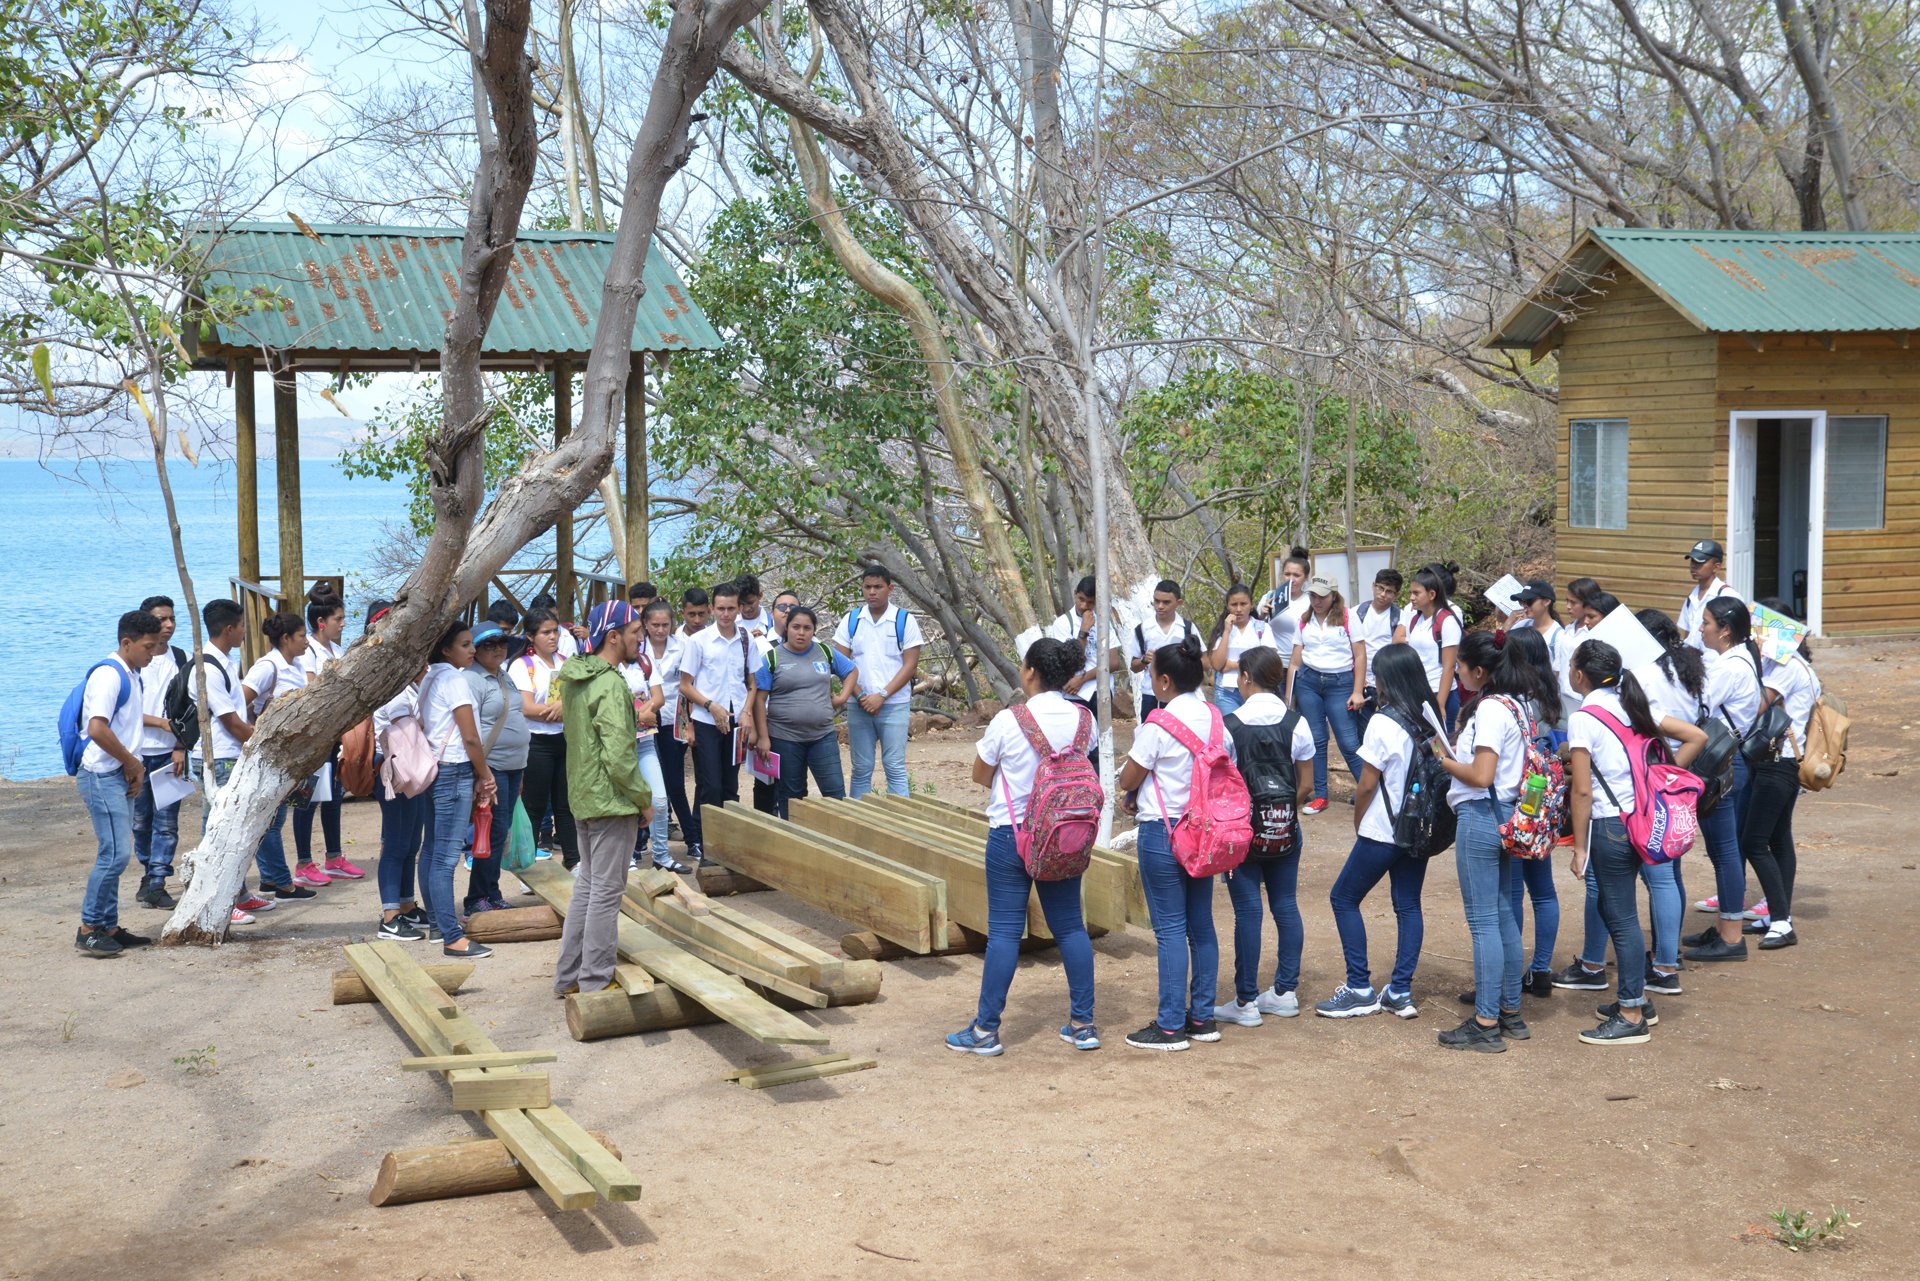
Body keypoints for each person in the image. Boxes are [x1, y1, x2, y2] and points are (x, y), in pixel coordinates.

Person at [947, 638, 1101, 1055]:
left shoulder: (1009, 719)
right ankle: (1083, 1024)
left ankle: (985, 1031)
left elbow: (982, 774)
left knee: (1004, 933)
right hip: (1064, 836)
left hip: (1011, 834)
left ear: (1030, 671)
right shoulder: (1085, 720)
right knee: (1070, 926)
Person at [1564, 639, 1707, 1044]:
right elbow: (1697, 736)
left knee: (1621, 919)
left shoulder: (1584, 717)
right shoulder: (1633, 704)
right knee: (1619, 915)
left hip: (1611, 827)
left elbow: (1581, 791)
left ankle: (1630, 1014)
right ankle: (1637, 998)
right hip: (1642, 821)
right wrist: (1658, 782)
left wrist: (1579, 847)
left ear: (1579, 674)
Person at [1430, 631, 1562, 1052]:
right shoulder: (1520, 705)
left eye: (1461, 667)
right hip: (1509, 817)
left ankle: (1486, 1021)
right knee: (1504, 915)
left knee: (1485, 921)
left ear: (1480, 670)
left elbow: (1481, 775)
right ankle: (1509, 1012)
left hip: (1482, 816)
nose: (1458, 674)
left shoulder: (1489, 709)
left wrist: (1444, 760)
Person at [1316, 644, 1445, 1018]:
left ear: (1387, 679)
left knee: (1343, 897)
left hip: (1383, 829)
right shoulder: (1429, 716)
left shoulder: (1383, 721)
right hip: (1419, 828)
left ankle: (1359, 987)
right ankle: (1400, 991)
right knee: (1408, 905)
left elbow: (1367, 784)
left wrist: (1358, 821)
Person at [1116, 634, 1223, 1051]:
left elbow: (1129, 777)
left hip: (1164, 830)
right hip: (1205, 830)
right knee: (1202, 926)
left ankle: (1168, 1026)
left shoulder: (1158, 724)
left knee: (1171, 930)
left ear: (1162, 682)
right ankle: (1202, 1016)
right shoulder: (1216, 718)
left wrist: (1130, 793)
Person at [553, 601, 655, 996]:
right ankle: (595, 981)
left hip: (583, 794)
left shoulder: (575, 679)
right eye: (634, 633)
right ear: (613, 636)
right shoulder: (611, 683)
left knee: (588, 887)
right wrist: (643, 798)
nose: (640, 639)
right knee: (606, 893)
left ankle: (568, 978)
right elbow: (619, 753)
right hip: (611, 800)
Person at [1212, 646, 1316, 1027]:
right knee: (1285, 905)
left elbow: (1220, 786)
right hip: (1286, 829)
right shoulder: (1297, 723)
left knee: (1248, 912)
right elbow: (1306, 783)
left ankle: (1246, 1000)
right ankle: (1285, 992)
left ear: (1246, 679)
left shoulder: (1229, 725)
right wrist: (1282, 810)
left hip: (1242, 835)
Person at [71, 609, 164, 956]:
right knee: (115, 855)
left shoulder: (131, 672)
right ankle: (88, 927)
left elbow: (126, 720)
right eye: (147, 647)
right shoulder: (110, 676)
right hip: (101, 774)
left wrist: (132, 767)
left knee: (113, 852)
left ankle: (107, 925)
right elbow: (97, 728)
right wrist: (132, 763)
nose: (152, 654)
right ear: (126, 643)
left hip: (118, 773)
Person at [1628, 608, 1706, 992]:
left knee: (1658, 874)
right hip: (1677, 781)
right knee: (1670, 873)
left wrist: (1661, 774)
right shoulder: (1685, 670)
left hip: (1654, 778)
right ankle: (1667, 952)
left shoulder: (1644, 676)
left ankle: (1664, 966)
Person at [1684, 597, 1764, 961]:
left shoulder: (1729, 667)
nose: (1701, 629)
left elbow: (1696, 706)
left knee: (1725, 851)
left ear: (1725, 630)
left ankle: (1731, 936)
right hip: (1733, 761)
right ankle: (1724, 927)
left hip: (1721, 765)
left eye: (1706, 623)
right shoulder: (1742, 658)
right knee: (1723, 851)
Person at [188, 598, 278, 924]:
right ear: (229, 628)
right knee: (219, 829)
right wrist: (260, 741)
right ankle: (215, 896)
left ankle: (237, 892)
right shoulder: (208, 668)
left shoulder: (225, 661)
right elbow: (230, 721)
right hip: (219, 757)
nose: (244, 632)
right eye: (241, 626)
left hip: (232, 753)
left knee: (235, 826)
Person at [1742, 599, 1820, 951]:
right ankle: (1777, 913)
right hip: (1785, 761)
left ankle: (1782, 922)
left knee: (1754, 842)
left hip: (1777, 762)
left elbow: (1757, 704)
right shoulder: (1799, 665)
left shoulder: (1785, 668)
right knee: (1778, 839)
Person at [417, 621, 497, 958]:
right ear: (446, 649)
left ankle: (439, 923)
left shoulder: (431, 677)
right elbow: (469, 737)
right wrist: (485, 774)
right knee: (447, 858)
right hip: (454, 770)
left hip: (439, 770)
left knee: (433, 850)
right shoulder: (454, 679)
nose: (472, 650)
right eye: (465, 644)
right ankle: (452, 936)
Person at [1500, 627, 1564, 997]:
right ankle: (1540, 968)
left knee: (1511, 890)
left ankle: (1508, 975)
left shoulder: (1516, 699)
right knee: (1543, 889)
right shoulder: (1551, 694)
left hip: (1519, 796)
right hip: (1544, 797)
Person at [749, 605, 858, 818]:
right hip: (785, 738)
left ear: (814, 630)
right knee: (791, 795)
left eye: (807, 628)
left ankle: (838, 843)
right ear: (786, 628)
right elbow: (759, 701)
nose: (801, 632)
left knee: (835, 793)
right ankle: (795, 842)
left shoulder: (824, 652)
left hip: (823, 736)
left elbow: (851, 670)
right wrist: (763, 737)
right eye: (796, 627)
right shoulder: (771, 658)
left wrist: (842, 698)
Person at [241, 612, 317, 903]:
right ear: (286, 638)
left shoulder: (295, 665)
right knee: (269, 819)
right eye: (301, 636)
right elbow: (240, 700)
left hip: (290, 755)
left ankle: (271, 879)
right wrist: (251, 733)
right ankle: (282, 882)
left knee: (276, 817)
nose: (306, 642)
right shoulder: (267, 667)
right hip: (270, 753)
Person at [832, 565, 924, 797]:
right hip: (858, 705)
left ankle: (899, 821)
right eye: (867, 587)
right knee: (861, 768)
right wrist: (862, 696)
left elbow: (910, 665)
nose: (872, 592)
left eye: (878, 587)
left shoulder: (904, 620)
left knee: (894, 767)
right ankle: (859, 822)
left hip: (894, 705)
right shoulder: (851, 620)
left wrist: (882, 695)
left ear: (889, 588)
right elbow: (841, 664)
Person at [681, 581, 754, 861]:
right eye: (720, 608)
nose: (725, 614)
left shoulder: (745, 639)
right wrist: (710, 706)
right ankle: (706, 842)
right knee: (709, 783)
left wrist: (746, 711)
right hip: (706, 719)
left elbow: (752, 681)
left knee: (730, 784)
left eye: (731, 608)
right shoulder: (698, 642)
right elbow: (686, 685)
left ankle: (728, 841)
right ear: (712, 609)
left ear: (739, 609)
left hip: (736, 720)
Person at [292, 588, 360, 887]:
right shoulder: (308, 652)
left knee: (333, 797)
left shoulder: (338, 651)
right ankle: (304, 861)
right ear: (322, 622)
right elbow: (311, 689)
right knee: (307, 800)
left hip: (336, 736)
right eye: (338, 619)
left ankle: (334, 856)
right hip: (314, 739)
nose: (342, 624)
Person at [1285, 574, 1367, 814]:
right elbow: (1295, 660)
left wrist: (1357, 691)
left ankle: (1370, 789)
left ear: (1333, 595)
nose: (1317, 600)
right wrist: (1288, 698)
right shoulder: (1304, 620)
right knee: (1317, 740)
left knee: (1348, 742)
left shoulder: (1348, 617)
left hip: (1340, 683)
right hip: (1309, 682)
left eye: (1322, 596)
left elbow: (1360, 655)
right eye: (1313, 595)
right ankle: (1321, 795)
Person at [464, 623, 529, 914]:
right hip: (493, 766)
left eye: (501, 643)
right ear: (475, 650)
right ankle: (477, 896)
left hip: (515, 765)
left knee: (499, 831)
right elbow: (470, 729)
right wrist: (482, 771)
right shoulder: (472, 679)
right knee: (491, 831)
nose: (497, 649)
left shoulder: (504, 676)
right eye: (489, 645)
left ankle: (492, 891)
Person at [130, 595, 187, 909]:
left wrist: (180, 745)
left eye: (171, 619)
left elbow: (191, 707)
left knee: (167, 821)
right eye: (160, 620)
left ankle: (157, 880)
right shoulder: (136, 662)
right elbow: (125, 712)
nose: (168, 625)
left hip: (169, 754)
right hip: (137, 753)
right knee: (140, 821)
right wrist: (162, 723)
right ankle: (148, 870)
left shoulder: (181, 658)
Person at [512, 608, 579, 869]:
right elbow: (526, 707)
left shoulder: (566, 662)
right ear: (530, 636)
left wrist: (564, 708)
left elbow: (575, 699)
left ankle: (574, 862)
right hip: (536, 741)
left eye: (555, 631)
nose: (552, 637)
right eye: (545, 632)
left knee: (566, 804)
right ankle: (527, 867)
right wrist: (559, 710)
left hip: (563, 739)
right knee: (535, 805)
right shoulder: (522, 666)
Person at [372, 659, 431, 941]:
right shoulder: (393, 691)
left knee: (410, 843)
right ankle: (389, 917)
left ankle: (406, 905)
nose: (426, 666)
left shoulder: (408, 688)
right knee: (396, 843)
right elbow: (406, 730)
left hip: (409, 768)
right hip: (395, 768)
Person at [1050, 575, 1125, 768]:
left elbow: (1114, 662)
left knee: (1097, 746)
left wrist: (1083, 678)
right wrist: (1083, 632)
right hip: (1072, 695)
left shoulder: (1103, 622)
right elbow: (1070, 662)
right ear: (1075, 595)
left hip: (1098, 691)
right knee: (1073, 744)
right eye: (1081, 599)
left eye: (1090, 602)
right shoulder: (1062, 623)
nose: (1084, 606)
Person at [618, 619, 672, 871]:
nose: (641, 638)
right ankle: (627, 858)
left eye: (641, 632)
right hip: (621, 744)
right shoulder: (609, 668)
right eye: (636, 633)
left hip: (645, 742)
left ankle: (661, 855)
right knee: (626, 803)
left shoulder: (644, 663)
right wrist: (638, 714)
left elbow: (658, 697)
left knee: (659, 799)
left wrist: (641, 712)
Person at [644, 598, 695, 863]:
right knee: (645, 784)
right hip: (645, 721)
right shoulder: (638, 648)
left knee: (674, 782)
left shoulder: (682, 646)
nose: (660, 630)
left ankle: (691, 838)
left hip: (673, 719)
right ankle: (641, 843)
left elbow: (687, 685)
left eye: (665, 625)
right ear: (646, 625)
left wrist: (689, 723)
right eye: (655, 625)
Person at [751, 589, 807, 815]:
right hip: (766, 719)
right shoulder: (759, 642)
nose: (787, 612)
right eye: (782, 607)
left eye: (793, 607)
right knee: (764, 779)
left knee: (794, 780)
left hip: (797, 725)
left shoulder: (811, 644)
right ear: (772, 613)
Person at [1507, 580, 1576, 732]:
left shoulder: (1558, 637)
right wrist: (1507, 625)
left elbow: (1558, 675)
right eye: (1521, 602)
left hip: (1542, 703)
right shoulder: (1520, 626)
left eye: (1529, 601)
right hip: (1518, 696)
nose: (1524, 606)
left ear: (1546, 602)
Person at [1126, 579, 1197, 721]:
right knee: (1150, 733)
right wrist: (1144, 660)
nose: (1160, 606)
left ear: (1179, 603)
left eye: (1166, 602)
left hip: (1180, 694)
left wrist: (1187, 656)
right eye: (1156, 601)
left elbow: (1204, 663)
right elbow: (1134, 667)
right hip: (1151, 694)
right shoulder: (1143, 630)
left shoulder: (1187, 628)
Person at [1405, 566, 1462, 732]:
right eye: (1411, 593)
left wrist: (1440, 703)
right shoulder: (1415, 620)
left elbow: (1449, 666)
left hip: (1440, 693)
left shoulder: (1447, 621)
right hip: (1418, 693)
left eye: (1416, 593)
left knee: (1441, 748)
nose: (1411, 598)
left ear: (1431, 594)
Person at [1206, 582, 1271, 716]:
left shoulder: (1262, 628)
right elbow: (1217, 664)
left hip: (1256, 690)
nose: (1239, 609)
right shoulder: (1222, 629)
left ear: (1251, 604)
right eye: (1234, 605)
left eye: (1243, 604)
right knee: (1230, 732)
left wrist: (1233, 665)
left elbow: (1269, 661)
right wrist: (1226, 632)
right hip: (1226, 692)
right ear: (1227, 606)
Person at [1354, 568, 1405, 732]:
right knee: (1363, 728)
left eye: (1389, 591)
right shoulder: (1356, 612)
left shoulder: (1401, 617)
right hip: (1362, 681)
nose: (1383, 594)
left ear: (1396, 595)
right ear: (1373, 586)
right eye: (1380, 588)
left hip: (1388, 680)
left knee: (1389, 725)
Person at [1678, 539, 1741, 650]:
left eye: (1700, 562)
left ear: (1716, 567)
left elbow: (1737, 637)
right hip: (1693, 662)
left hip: (1715, 663)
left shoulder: (1728, 596)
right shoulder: (1691, 598)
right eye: (1692, 561)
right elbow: (1688, 635)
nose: (1693, 566)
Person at [1256, 546, 1313, 654]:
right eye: (1287, 574)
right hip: (1273, 661)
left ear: (1306, 577)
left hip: (1301, 661)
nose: (1291, 579)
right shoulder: (1269, 597)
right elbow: (1255, 629)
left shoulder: (1312, 602)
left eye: (1296, 575)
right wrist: (1262, 616)